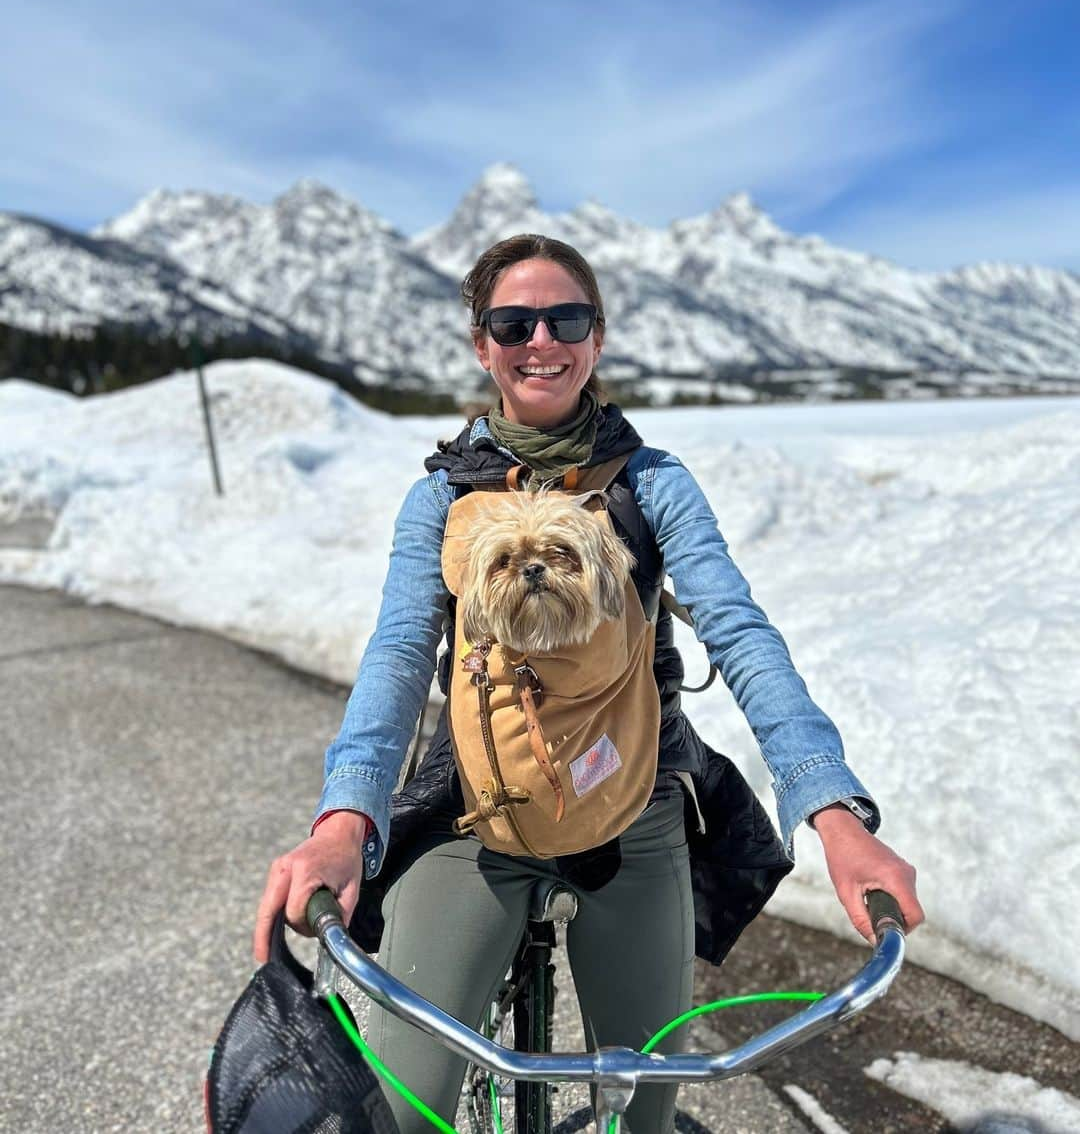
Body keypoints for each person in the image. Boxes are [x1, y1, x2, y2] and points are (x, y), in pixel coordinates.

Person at [255, 233, 924, 1133]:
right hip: (474, 806)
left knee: (645, 1106)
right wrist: (348, 816)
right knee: (408, 1111)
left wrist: (833, 812)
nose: (542, 339)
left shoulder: (652, 484)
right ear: (482, 344)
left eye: (566, 318)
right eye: (513, 321)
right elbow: (400, 651)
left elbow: (740, 630)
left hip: (633, 800)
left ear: (597, 339)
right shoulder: (442, 498)